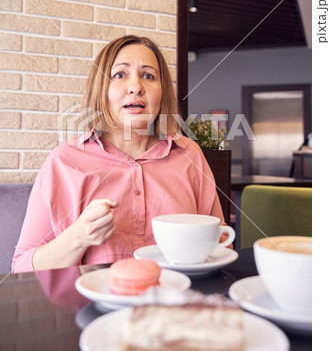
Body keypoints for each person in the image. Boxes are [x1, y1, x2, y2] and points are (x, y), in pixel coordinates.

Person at [12, 35, 229, 272]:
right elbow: (22, 268)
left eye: (148, 76)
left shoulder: (189, 154)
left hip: (177, 301)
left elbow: (220, 244)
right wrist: (78, 237)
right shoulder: (63, 161)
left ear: (162, 92)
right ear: (101, 89)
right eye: (119, 75)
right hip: (94, 306)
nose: (136, 87)